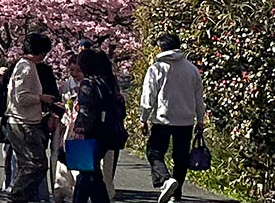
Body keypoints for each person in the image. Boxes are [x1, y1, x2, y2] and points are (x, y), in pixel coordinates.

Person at [139, 33, 206, 203]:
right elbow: (199, 97)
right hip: (186, 120)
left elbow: (149, 96)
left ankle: (165, 180)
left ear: (161, 47)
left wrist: (143, 118)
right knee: (181, 158)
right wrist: (200, 119)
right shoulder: (191, 69)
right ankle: (175, 196)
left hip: (163, 119)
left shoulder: (157, 68)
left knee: (154, 152)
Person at [5, 33, 61, 203]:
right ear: (41, 52)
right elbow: (21, 98)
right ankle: (17, 196)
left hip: (24, 121)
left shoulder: (24, 65)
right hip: (23, 123)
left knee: (28, 164)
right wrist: (41, 98)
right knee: (37, 164)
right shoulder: (27, 68)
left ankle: (21, 197)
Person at [71, 48, 128, 203]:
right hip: (107, 134)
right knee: (92, 173)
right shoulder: (109, 83)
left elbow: (88, 113)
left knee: (86, 172)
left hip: (90, 134)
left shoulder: (88, 84)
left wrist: (79, 130)